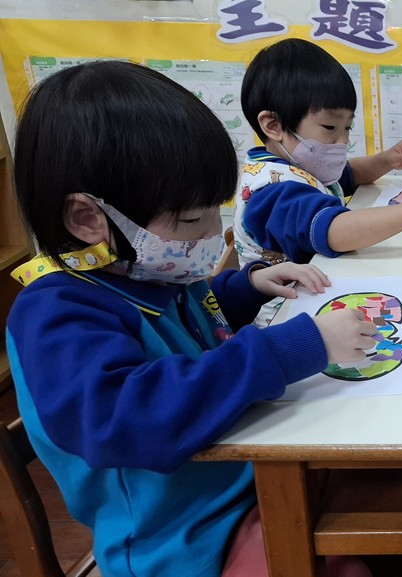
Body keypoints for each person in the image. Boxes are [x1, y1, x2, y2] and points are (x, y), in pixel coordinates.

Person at [6, 61, 378, 577]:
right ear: (89, 219)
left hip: (246, 474)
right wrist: (287, 349)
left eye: (212, 211)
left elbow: (189, 323)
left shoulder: (146, 270)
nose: (210, 233)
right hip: (185, 537)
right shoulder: (57, 314)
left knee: (371, 492)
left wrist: (246, 288)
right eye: (189, 219)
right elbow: (124, 415)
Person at [234, 38, 402, 269]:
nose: (343, 140)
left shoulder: (297, 163)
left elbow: (348, 174)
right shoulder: (271, 192)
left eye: (347, 127)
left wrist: (387, 160)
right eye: (330, 127)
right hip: (285, 303)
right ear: (274, 125)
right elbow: (333, 231)